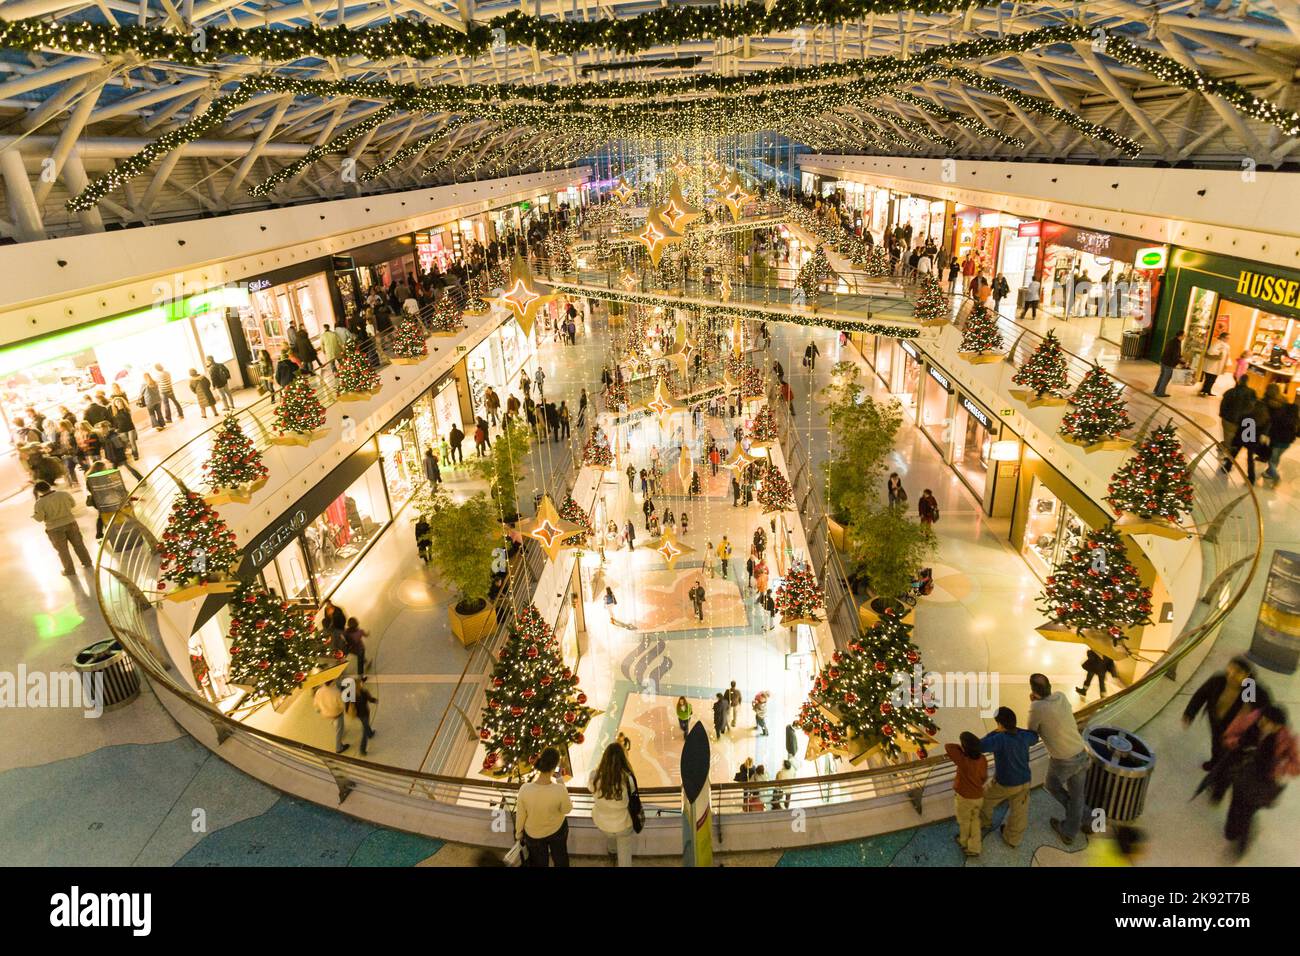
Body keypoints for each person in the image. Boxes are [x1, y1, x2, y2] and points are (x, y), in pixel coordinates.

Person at [1206, 704, 1298, 857]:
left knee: (1247, 812)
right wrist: (1236, 742)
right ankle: (1234, 831)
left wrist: (1280, 768)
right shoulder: (1251, 721)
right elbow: (1230, 734)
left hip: (1264, 783)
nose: (1263, 724)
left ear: (1279, 727)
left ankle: (1243, 842)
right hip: (1242, 774)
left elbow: (1296, 764)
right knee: (1234, 814)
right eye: (1263, 720)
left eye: (1269, 723)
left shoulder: (1287, 739)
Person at [1028, 674, 1090, 845]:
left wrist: (1033, 703)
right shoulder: (1061, 696)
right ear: (1049, 686)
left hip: (1063, 760)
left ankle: (1069, 831)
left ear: (1033, 690)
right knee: (1078, 795)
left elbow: (1032, 735)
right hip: (1081, 751)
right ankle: (1088, 819)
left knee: (1051, 786)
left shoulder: (1036, 707)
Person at [1183, 656, 1268, 771]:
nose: (1232, 674)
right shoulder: (1219, 681)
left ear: (1247, 675)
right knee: (1216, 742)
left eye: (1238, 672)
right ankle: (1215, 762)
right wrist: (1190, 712)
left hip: (1236, 729)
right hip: (1216, 722)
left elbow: (1256, 713)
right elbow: (1201, 695)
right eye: (1231, 668)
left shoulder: (1250, 688)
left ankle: (1226, 770)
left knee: (1232, 752)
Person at [978, 707, 1039, 848]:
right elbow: (1034, 736)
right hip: (1025, 781)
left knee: (985, 799)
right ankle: (1012, 838)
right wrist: (1017, 729)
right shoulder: (1024, 736)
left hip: (1005, 783)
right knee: (1019, 812)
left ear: (1000, 724)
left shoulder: (999, 739)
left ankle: (983, 823)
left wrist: (995, 732)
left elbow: (979, 746)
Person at [515, 747, 572, 867]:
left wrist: (518, 833)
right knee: (560, 858)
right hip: (557, 830)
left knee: (539, 863)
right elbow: (567, 809)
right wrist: (560, 781)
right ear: (555, 766)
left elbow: (521, 815)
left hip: (534, 834)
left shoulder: (524, 789)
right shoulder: (559, 789)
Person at [588, 743, 636, 866]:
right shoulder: (627, 778)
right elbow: (633, 795)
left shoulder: (594, 776)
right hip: (623, 824)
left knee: (610, 835)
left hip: (603, 823)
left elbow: (590, 788)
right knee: (625, 855)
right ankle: (616, 855)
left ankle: (612, 852)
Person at [32, 480, 93, 576]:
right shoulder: (63, 494)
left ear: (38, 491)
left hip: (54, 528)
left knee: (63, 551)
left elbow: (39, 518)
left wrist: (34, 516)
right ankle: (87, 562)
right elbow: (73, 504)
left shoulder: (39, 503)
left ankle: (69, 570)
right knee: (79, 545)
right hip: (70, 522)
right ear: (49, 486)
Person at [945, 731, 988, 857]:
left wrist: (961, 749)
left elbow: (948, 747)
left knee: (964, 821)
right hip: (978, 796)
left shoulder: (964, 761)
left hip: (965, 798)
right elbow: (984, 777)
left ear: (965, 748)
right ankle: (975, 847)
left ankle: (964, 842)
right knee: (974, 820)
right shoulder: (982, 759)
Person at [1222, 393, 1269, 483]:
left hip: (1242, 437)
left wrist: (1235, 439)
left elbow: (1240, 426)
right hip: (1252, 439)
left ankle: (1227, 467)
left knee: (1234, 453)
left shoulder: (1247, 414)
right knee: (1250, 458)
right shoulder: (1264, 417)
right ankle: (1251, 477)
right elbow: (1264, 429)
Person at [1264, 398, 1297, 482]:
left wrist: (1268, 436)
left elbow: (1273, 428)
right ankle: (1269, 472)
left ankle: (1275, 475)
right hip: (1286, 444)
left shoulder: (1279, 417)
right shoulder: (1295, 420)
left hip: (1277, 442)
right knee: (1276, 458)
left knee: (1271, 459)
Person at [313, 679, 348, 753]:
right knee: (339, 730)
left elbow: (316, 705)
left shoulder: (319, 691)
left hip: (326, 714)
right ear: (332, 682)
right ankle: (339, 748)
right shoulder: (335, 692)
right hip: (336, 714)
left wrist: (322, 710)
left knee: (335, 723)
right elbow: (342, 705)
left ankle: (337, 726)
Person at [1151, 330, 1184, 398]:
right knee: (1165, 378)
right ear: (1180, 336)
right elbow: (1175, 355)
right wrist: (1182, 362)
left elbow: (1175, 354)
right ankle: (1160, 393)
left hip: (1164, 361)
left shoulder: (1172, 340)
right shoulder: (1176, 343)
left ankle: (1156, 390)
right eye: (1184, 335)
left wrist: (1180, 358)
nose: (1184, 337)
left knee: (1162, 377)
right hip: (1169, 363)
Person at [352, 678, 378, 756]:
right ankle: (362, 749)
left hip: (358, 714)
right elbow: (370, 699)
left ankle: (370, 733)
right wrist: (375, 700)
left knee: (365, 724)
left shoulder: (351, 694)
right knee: (364, 731)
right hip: (365, 713)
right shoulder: (363, 692)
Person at [1199, 332, 1229, 396]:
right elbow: (1211, 351)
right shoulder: (1217, 343)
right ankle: (1205, 391)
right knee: (1210, 379)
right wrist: (1219, 352)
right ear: (1223, 337)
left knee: (1212, 379)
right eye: (1227, 338)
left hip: (1217, 366)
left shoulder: (1224, 345)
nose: (1228, 339)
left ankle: (1207, 391)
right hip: (1212, 366)